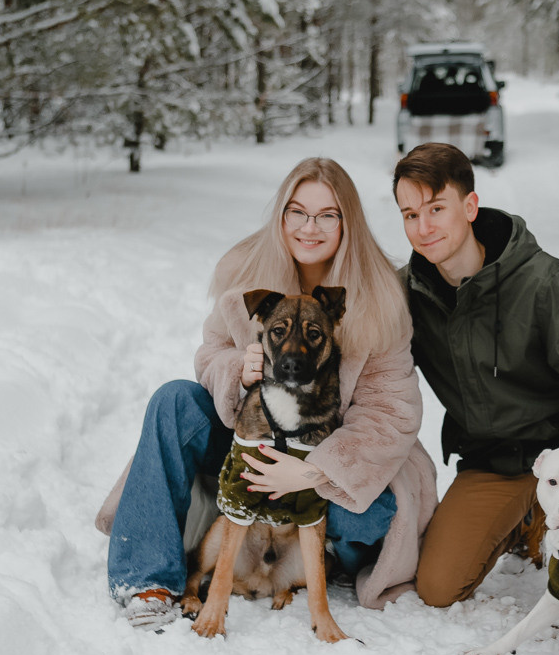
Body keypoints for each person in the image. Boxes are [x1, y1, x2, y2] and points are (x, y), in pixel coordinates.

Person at [97, 157, 437, 628]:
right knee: (173, 400)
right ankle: (148, 578)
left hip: (333, 460)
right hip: (250, 447)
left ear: (347, 221)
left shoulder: (377, 294)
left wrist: (312, 472)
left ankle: (321, 551)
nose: (309, 228)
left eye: (326, 215)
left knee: (374, 514)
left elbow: (390, 413)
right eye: (297, 212)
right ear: (281, 215)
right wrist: (238, 368)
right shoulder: (246, 272)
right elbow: (209, 353)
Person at [392, 142, 559, 608]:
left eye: (437, 208)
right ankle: (528, 521)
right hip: (491, 460)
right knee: (438, 589)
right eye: (409, 214)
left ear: (470, 206)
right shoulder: (406, 295)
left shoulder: (544, 281)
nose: (424, 227)